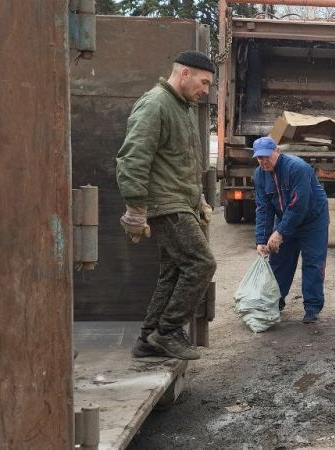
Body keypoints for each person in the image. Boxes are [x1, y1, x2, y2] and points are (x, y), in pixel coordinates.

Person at [116, 50, 217, 360]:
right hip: (166, 204)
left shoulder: (184, 107)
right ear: (183, 74)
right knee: (201, 263)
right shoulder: (155, 104)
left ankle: (148, 338)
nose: (206, 90)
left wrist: (198, 197)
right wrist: (136, 207)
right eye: (203, 82)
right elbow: (134, 157)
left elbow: (183, 160)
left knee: (173, 273)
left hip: (181, 201)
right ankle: (169, 330)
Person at [252, 136, 330, 324]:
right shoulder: (259, 175)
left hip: (312, 219)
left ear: (277, 151)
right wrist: (262, 240)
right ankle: (276, 302)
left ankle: (312, 307)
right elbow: (263, 208)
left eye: (267, 157)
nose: (263, 161)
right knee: (279, 261)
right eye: (259, 158)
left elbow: (299, 205)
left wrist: (279, 232)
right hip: (287, 219)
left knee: (312, 262)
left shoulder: (297, 168)